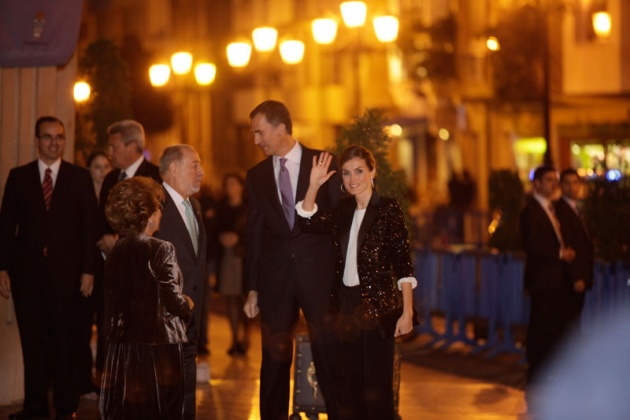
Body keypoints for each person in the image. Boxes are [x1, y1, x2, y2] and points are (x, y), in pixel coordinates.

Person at [296, 146, 417, 419]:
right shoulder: (343, 209)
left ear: (373, 172)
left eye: (359, 171)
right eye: (347, 173)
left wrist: (407, 312)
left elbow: (403, 263)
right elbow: (308, 221)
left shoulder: (387, 209)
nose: (353, 179)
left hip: (377, 308)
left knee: (377, 389)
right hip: (345, 307)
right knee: (351, 387)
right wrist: (313, 185)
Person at [243, 100, 343, 419]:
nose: (256, 140)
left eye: (259, 132)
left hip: (319, 278)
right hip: (275, 281)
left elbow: (340, 223)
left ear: (280, 128)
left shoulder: (324, 162)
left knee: (328, 353)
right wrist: (253, 288)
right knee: (273, 360)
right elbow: (254, 234)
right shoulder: (256, 175)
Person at [0, 116, 97, 420]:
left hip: (68, 278)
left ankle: (66, 406)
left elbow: (89, 228)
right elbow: (6, 227)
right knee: (32, 343)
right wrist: (2, 268)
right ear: (37, 140)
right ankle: (35, 406)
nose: (55, 142)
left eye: (60, 137)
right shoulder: (19, 177)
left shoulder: (78, 177)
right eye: (48, 137)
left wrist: (88, 271)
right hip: (27, 277)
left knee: (64, 342)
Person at [99, 177, 194, 420]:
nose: (161, 214)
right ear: (149, 216)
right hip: (157, 350)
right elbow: (172, 299)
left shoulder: (115, 252)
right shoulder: (161, 248)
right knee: (159, 410)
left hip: (122, 350)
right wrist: (187, 304)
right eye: (158, 208)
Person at [154, 144, 207, 420]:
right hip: (164, 318)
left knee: (187, 386)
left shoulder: (194, 205)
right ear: (173, 168)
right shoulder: (154, 205)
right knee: (165, 391)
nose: (201, 172)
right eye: (195, 165)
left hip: (190, 316)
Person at [519, 165, 575, 393]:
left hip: (555, 279)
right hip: (542, 279)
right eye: (549, 180)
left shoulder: (552, 209)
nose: (554, 184)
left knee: (552, 327)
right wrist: (560, 254)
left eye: (555, 180)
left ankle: (549, 372)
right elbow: (533, 244)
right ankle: (536, 374)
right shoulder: (531, 211)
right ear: (537, 184)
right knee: (540, 327)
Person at [97, 120, 161, 257]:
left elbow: (156, 224)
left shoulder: (155, 177)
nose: (110, 152)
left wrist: (119, 242)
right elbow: (101, 217)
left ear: (132, 147)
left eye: (115, 148)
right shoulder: (110, 178)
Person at [80, 151, 112, 396]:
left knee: (105, 324)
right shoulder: (81, 194)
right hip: (84, 268)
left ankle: (102, 376)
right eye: (97, 166)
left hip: (107, 269)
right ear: (88, 169)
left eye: (106, 166)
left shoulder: (112, 195)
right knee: (81, 324)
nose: (102, 171)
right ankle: (82, 376)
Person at [555, 168, 593, 330]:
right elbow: (566, 243)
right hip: (571, 279)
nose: (572, 187)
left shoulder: (575, 208)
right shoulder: (562, 210)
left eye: (575, 183)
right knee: (570, 322)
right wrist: (576, 276)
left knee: (575, 318)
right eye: (567, 183)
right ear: (561, 186)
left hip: (580, 275)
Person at [215, 173, 249, 356]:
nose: (230, 188)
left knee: (244, 299)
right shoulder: (222, 207)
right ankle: (235, 338)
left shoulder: (248, 208)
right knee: (230, 299)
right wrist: (222, 237)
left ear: (241, 187)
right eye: (227, 185)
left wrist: (239, 238)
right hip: (227, 257)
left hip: (243, 257)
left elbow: (253, 232)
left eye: (234, 184)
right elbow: (215, 229)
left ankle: (245, 338)